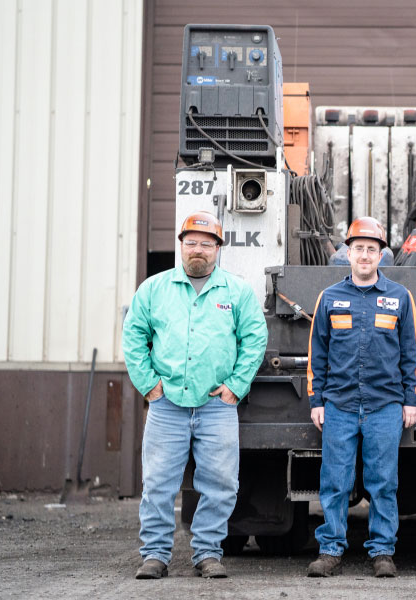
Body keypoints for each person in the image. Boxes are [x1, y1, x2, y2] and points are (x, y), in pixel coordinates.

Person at [122, 211, 268, 579]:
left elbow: (255, 339)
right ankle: (154, 556)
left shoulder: (237, 292)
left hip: (216, 406)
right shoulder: (153, 289)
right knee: (157, 484)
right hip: (166, 404)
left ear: (218, 249)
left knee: (221, 485)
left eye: (206, 243)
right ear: (181, 246)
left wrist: (236, 387)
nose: (198, 250)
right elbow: (134, 336)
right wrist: (149, 385)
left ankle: (207, 553)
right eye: (191, 243)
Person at [305, 216, 416, 578]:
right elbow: (318, 353)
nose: (365, 255)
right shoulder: (329, 298)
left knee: (383, 482)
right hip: (339, 406)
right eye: (358, 249)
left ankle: (383, 551)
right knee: (335, 482)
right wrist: (317, 401)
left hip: (385, 406)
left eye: (372, 250)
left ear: (381, 255)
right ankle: (330, 550)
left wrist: (411, 399)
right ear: (347, 252)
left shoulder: (399, 297)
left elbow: (412, 352)